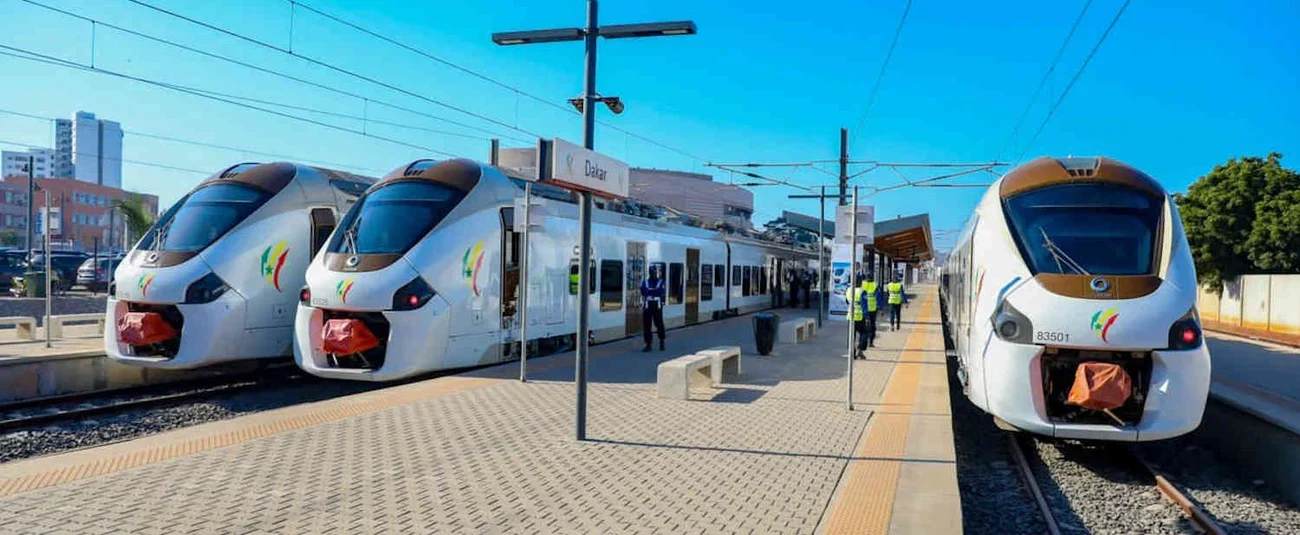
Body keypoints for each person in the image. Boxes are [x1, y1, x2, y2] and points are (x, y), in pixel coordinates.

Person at [640, 265, 666, 352]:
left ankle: (662, 341)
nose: (653, 274)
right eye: (651, 272)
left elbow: (660, 292)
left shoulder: (661, 282)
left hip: (657, 305)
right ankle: (648, 344)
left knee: (659, 324)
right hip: (648, 305)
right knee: (647, 325)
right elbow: (643, 292)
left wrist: (650, 292)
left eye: (654, 272)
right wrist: (653, 292)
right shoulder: (646, 282)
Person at [846, 276, 868, 359]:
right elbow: (864, 305)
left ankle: (852, 352)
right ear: (860, 282)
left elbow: (847, 301)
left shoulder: (848, 290)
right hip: (860, 317)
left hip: (850, 316)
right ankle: (860, 349)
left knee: (851, 335)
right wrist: (867, 317)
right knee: (864, 333)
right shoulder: (862, 291)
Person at [861, 274, 881, 348]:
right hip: (873, 309)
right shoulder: (875, 285)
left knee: (864, 326)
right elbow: (879, 297)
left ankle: (864, 343)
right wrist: (880, 308)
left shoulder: (862, 284)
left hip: (864, 309)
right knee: (872, 325)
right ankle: (871, 342)